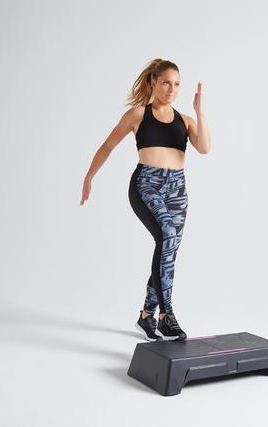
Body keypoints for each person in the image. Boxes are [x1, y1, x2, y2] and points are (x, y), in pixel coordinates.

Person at [80, 58, 211, 342]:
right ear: (153, 82)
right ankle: (166, 316)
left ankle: (146, 315)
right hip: (146, 185)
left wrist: (199, 112)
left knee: (168, 250)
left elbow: (204, 147)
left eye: (176, 84)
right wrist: (89, 176)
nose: (171, 89)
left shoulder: (185, 120)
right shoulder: (138, 114)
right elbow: (107, 146)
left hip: (177, 189)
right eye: (166, 83)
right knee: (167, 237)